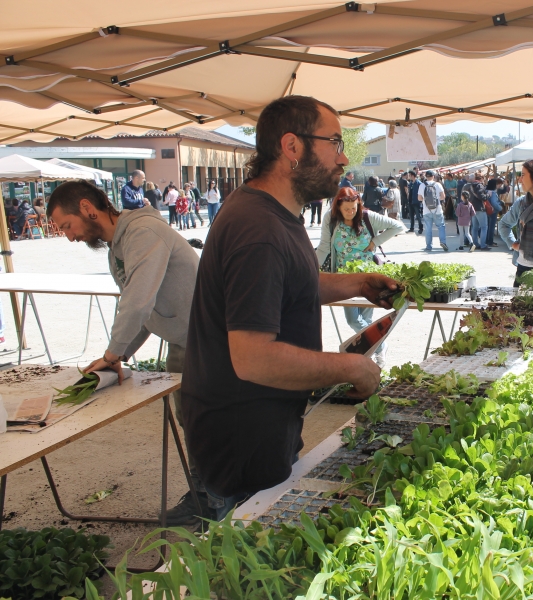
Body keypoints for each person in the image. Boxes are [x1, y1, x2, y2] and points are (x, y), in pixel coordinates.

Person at [181, 95, 398, 519]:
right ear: (292, 147)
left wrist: (357, 282)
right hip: (242, 434)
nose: (343, 156)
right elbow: (253, 359)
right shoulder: (257, 228)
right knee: (250, 573)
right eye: (334, 142)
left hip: (264, 424)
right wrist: (348, 367)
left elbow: (292, 283)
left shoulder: (277, 212)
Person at [47, 179, 210, 524]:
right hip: (185, 341)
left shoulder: (143, 232)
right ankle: (205, 493)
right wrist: (118, 356)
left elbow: (137, 303)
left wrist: (110, 355)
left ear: (88, 209)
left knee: (206, 419)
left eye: (67, 225)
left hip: (209, 339)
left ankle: (217, 499)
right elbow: (145, 315)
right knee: (190, 419)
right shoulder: (116, 249)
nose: (69, 236)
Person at [316, 187, 404, 367]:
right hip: (344, 279)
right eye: (346, 209)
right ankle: (381, 347)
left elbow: (399, 226)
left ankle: (369, 358)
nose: (350, 212)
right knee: (353, 319)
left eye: (354, 208)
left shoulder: (367, 217)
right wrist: (312, 268)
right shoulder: (330, 219)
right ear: (338, 208)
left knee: (366, 319)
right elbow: (324, 246)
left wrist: (375, 242)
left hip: (369, 277)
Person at [417, 170, 449, 252]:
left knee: (428, 229)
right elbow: (443, 196)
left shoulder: (422, 185)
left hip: (426, 210)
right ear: (433, 176)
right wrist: (436, 199)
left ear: (426, 177)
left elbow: (419, 198)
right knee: (441, 226)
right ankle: (443, 242)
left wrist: (426, 200)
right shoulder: (437, 184)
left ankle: (429, 246)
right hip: (437, 209)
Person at [464, 173, 491, 250]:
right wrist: (488, 195)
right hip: (480, 208)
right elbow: (482, 197)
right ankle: (483, 245)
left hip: (472, 208)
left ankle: (475, 243)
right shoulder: (479, 185)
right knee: (484, 227)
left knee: (474, 227)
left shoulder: (469, 185)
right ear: (481, 178)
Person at [485, 176, 505, 247]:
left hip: (487, 210)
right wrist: (500, 208)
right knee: (491, 227)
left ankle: (487, 240)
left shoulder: (486, 191)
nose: (498, 185)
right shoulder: (493, 193)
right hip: (493, 211)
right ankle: (490, 241)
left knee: (487, 226)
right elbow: (494, 203)